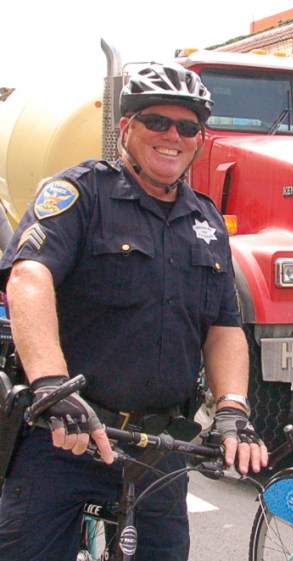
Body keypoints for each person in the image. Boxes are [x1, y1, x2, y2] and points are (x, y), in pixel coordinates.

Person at [0, 63, 267, 561]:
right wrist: (51, 387)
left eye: (187, 127)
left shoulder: (207, 220)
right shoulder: (79, 194)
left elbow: (224, 325)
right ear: (126, 127)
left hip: (158, 445)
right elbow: (29, 277)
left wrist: (233, 406)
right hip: (65, 436)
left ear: (199, 139)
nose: (173, 136)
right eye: (156, 122)